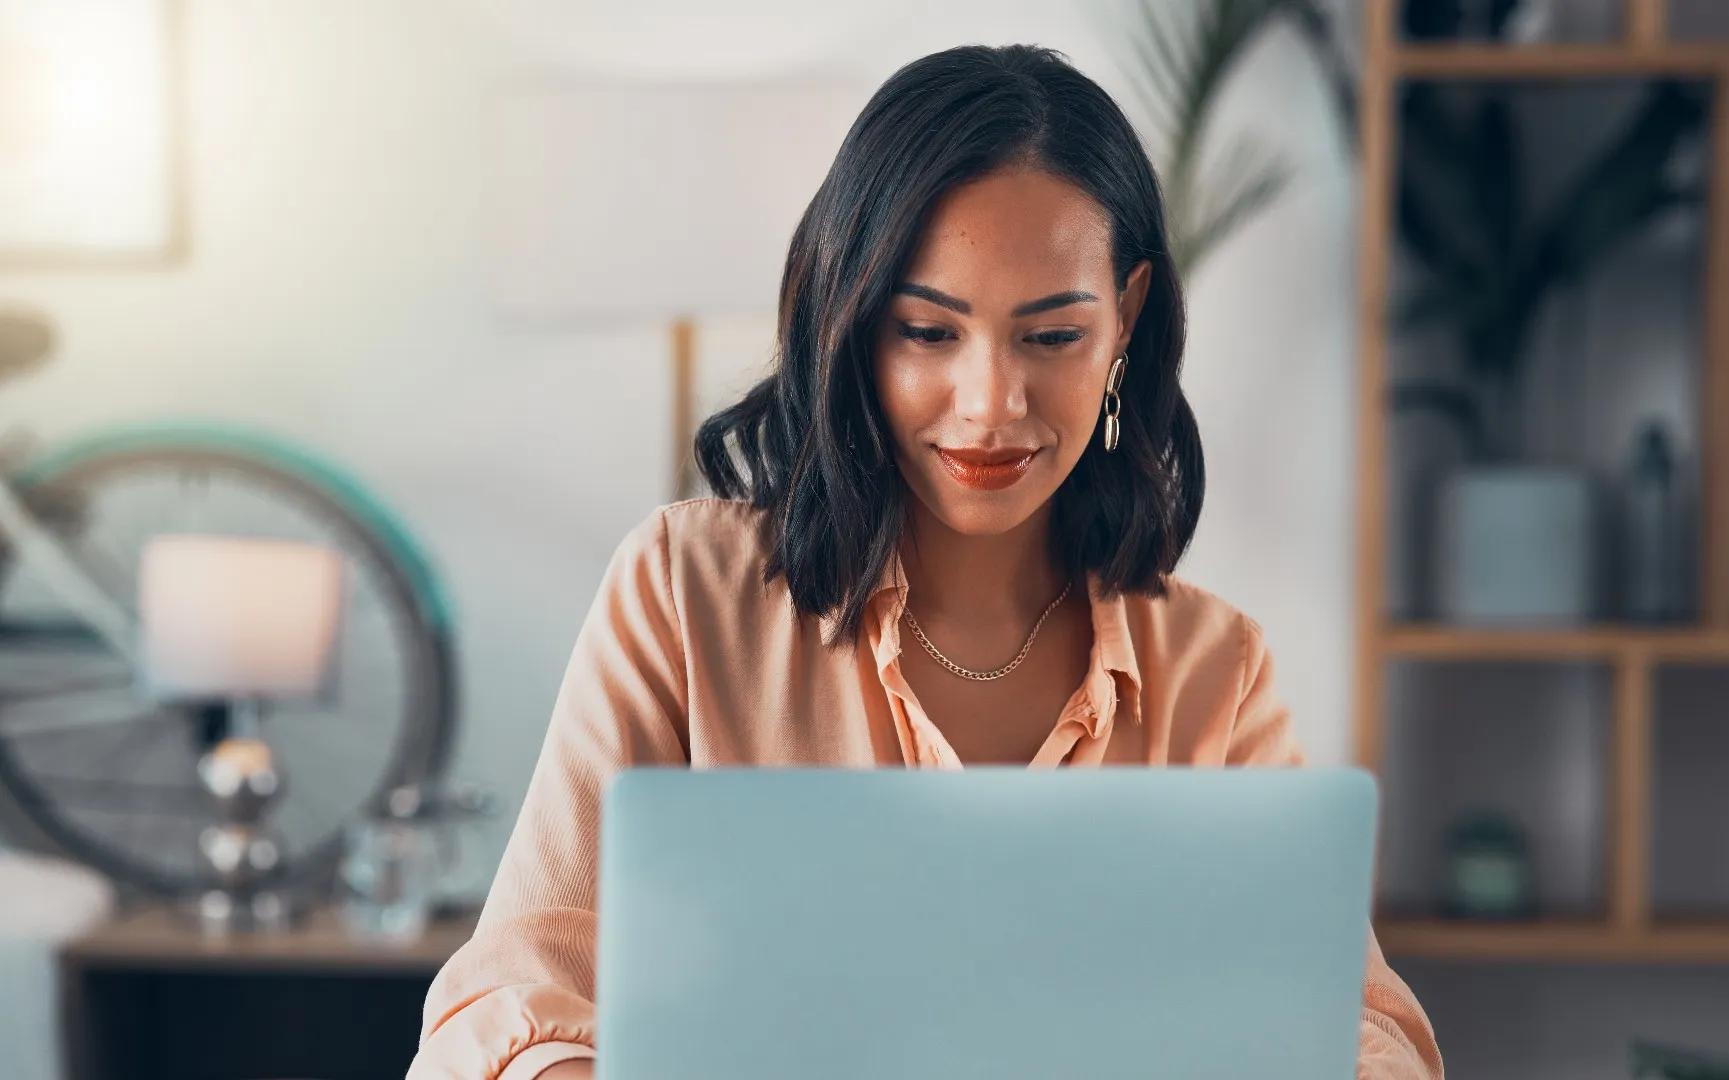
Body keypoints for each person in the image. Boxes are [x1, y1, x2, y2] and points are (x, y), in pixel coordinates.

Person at [409, 44, 1443, 1080]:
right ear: (852, 324)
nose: (991, 404)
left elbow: (1364, 1024)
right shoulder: (684, 592)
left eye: (1052, 336)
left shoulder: (1212, 668)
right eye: (926, 331)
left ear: (1124, 318)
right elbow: (509, 995)